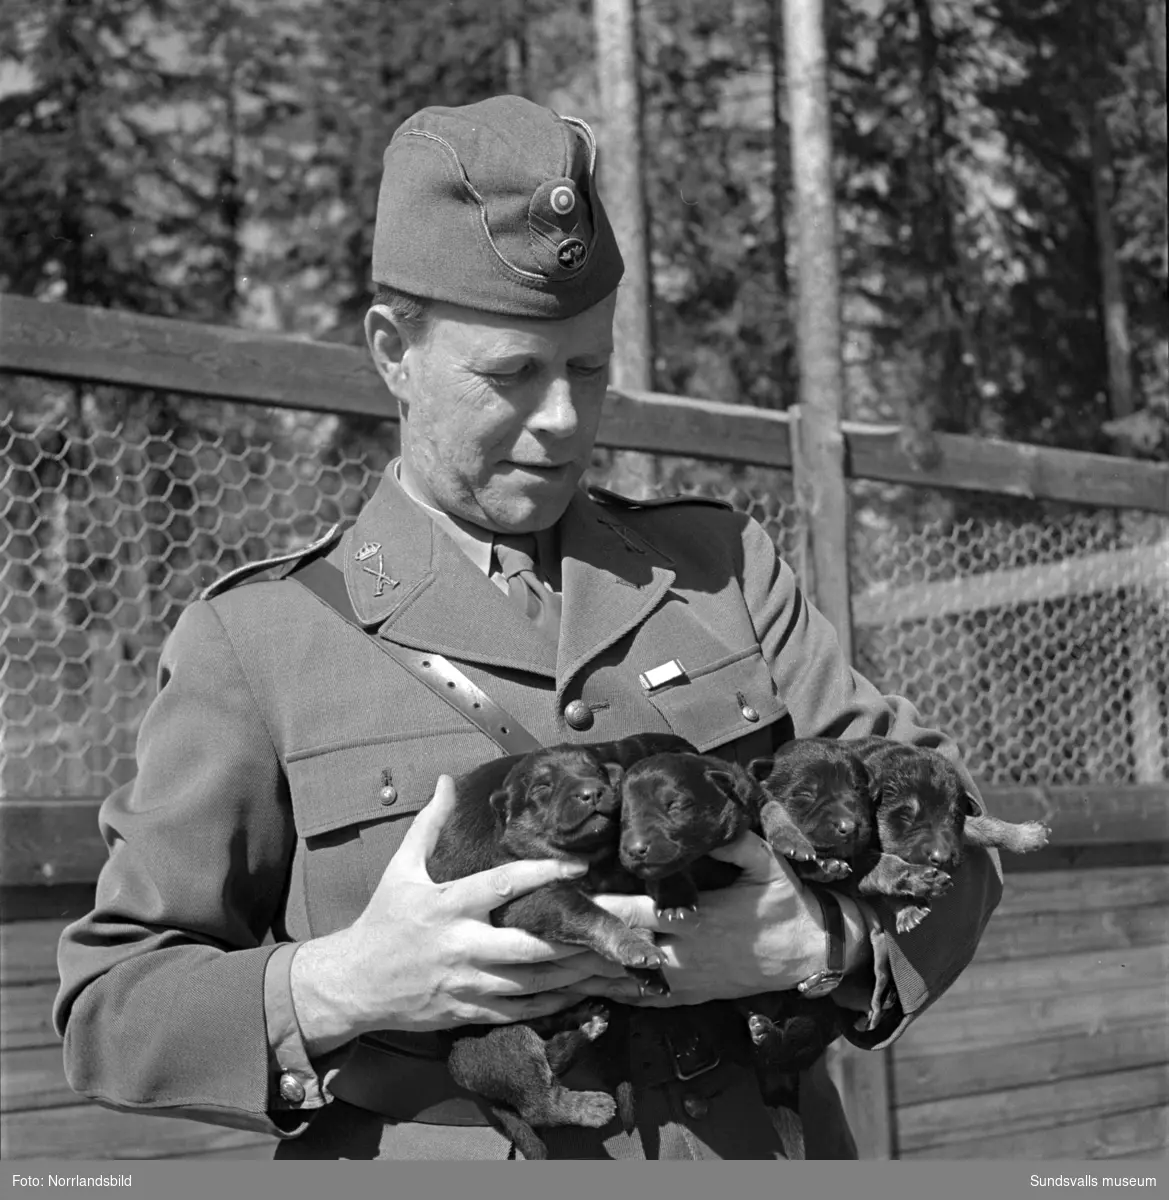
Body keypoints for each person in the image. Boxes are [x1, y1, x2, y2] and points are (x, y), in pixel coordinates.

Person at [54, 95, 1002, 1161]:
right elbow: (113, 1009)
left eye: (586, 367)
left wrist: (817, 937)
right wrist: (343, 982)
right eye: (510, 373)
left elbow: (951, 830)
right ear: (391, 351)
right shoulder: (261, 636)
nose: (560, 419)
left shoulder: (720, 567)